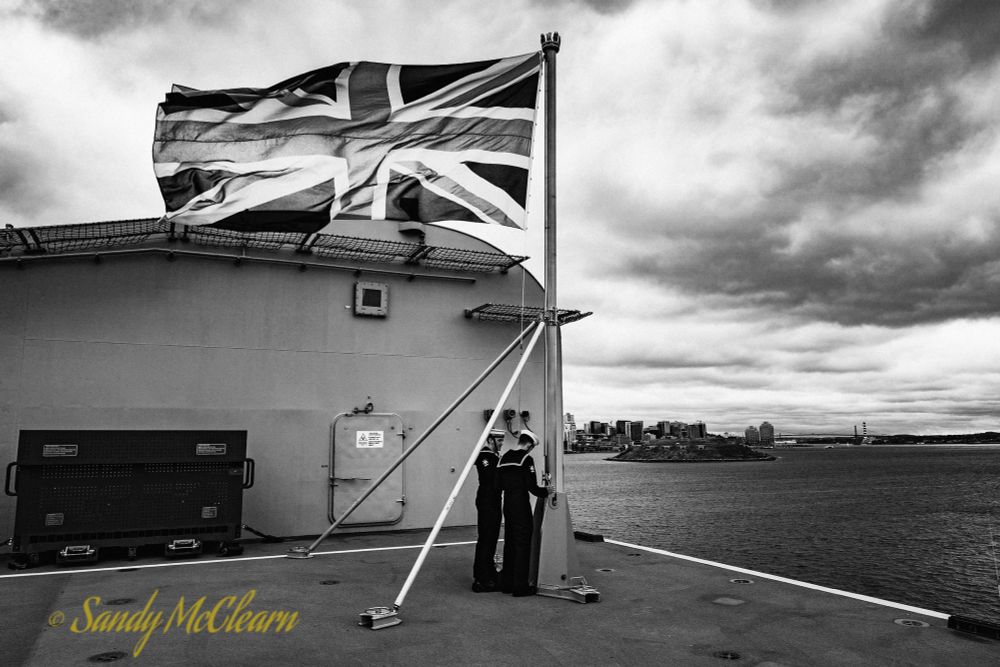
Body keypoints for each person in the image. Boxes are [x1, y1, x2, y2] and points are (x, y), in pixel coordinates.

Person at [497, 429, 548, 596]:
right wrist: (547, 491)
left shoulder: (504, 458)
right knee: (522, 543)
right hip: (520, 504)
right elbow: (532, 487)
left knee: (510, 542)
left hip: (508, 504)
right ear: (529, 445)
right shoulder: (526, 459)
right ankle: (520, 587)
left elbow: (498, 485)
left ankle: (507, 583)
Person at [472, 429, 505, 592]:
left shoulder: (492, 457)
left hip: (491, 499)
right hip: (488, 500)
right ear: (490, 440)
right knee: (487, 538)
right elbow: (490, 479)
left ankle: (488, 573)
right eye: (499, 440)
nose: (501, 443)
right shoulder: (486, 456)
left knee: (490, 538)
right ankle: (482, 578)